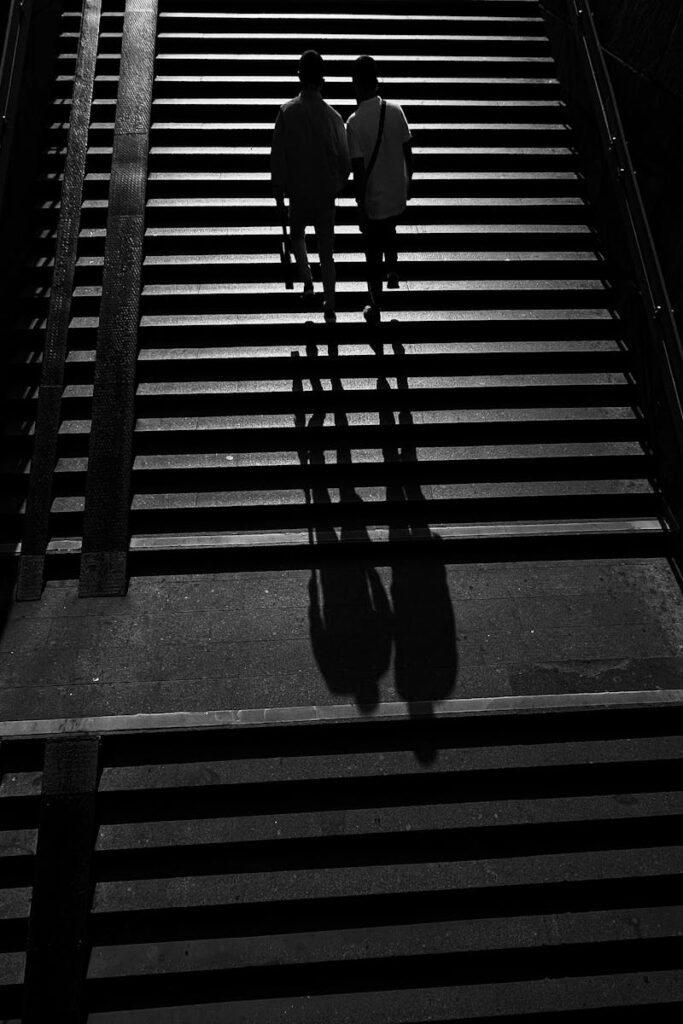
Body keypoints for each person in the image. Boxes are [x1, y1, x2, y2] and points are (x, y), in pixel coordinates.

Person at [270, 50, 351, 323]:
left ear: (299, 77)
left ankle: (306, 278)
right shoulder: (334, 117)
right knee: (327, 251)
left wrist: (279, 190)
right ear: (322, 81)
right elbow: (345, 161)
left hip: (299, 192)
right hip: (325, 193)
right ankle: (330, 301)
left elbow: (278, 157)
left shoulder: (286, 112)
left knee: (297, 236)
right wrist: (336, 185)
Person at [346, 55, 413, 325]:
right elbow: (409, 151)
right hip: (396, 194)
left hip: (374, 200)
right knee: (390, 227)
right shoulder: (396, 110)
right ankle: (393, 268)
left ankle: (375, 304)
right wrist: (410, 182)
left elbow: (359, 171)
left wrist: (360, 206)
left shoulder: (354, 122)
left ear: (357, 85)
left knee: (371, 253)